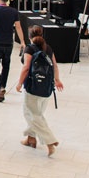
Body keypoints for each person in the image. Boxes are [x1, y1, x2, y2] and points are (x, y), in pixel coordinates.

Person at [15, 25, 64, 156]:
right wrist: (57, 80)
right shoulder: (48, 48)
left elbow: (26, 67)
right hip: (46, 87)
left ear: (29, 37)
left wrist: (19, 83)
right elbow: (54, 65)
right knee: (37, 114)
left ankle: (50, 141)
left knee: (31, 115)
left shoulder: (29, 48)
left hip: (32, 87)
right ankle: (30, 139)